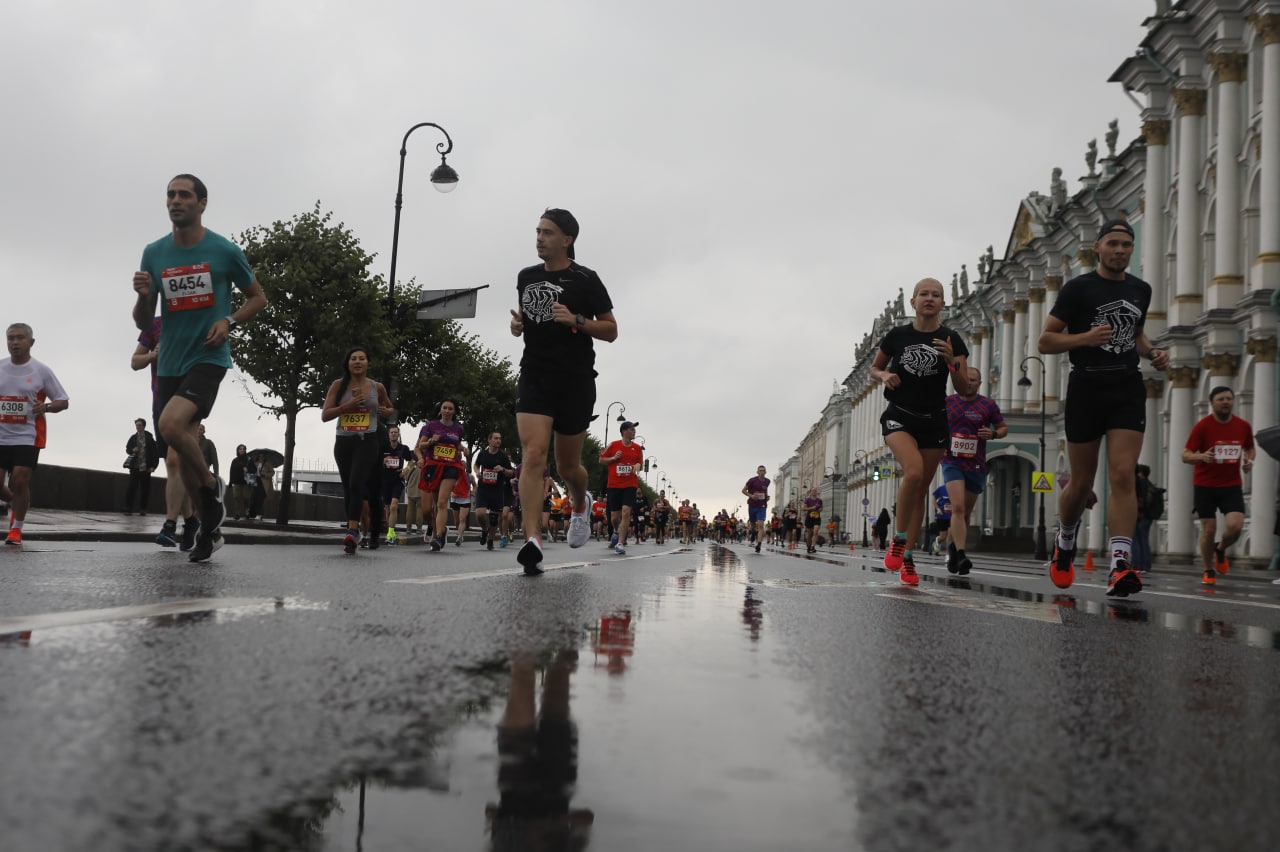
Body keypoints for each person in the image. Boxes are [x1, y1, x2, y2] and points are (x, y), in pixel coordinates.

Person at [132, 174, 268, 563]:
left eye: (184, 195)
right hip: (170, 361)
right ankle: (209, 528)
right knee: (179, 449)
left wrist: (229, 321)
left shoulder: (223, 251)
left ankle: (211, 490)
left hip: (208, 357)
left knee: (171, 425)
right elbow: (144, 321)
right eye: (170, 195)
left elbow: (259, 298)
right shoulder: (154, 252)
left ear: (202, 203)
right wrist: (143, 297)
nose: (176, 201)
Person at [1038, 219, 1169, 597]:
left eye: (1126, 244)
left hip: (1127, 385)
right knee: (1080, 483)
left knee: (1124, 474)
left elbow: (1136, 334)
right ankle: (1064, 543)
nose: (1120, 250)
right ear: (1098, 247)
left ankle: (1119, 565)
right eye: (1113, 243)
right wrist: (1085, 338)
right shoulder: (1078, 289)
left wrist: (1152, 352)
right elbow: (1046, 341)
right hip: (1087, 386)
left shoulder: (1140, 289)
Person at [508, 208, 617, 574]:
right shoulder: (526, 277)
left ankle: (579, 503)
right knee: (534, 453)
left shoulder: (586, 279)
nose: (539, 238)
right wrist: (518, 324)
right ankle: (532, 539)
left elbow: (611, 329)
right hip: (535, 374)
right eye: (537, 231)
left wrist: (577, 321)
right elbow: (529, 317)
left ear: (567, 240)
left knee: (570, 466)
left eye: (548, 233)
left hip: (575, 379)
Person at [869, 277, 971, 585]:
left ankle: (908, 559)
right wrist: (885, 374)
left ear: (943, 303)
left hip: (934, 420)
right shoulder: (898, 335)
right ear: (913, 302)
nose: (929, 298)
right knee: (912, 473)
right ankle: (899, 540)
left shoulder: (952, 338)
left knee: (919, 492)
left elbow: (964, 387)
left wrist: (952, 362)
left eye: (936, 295)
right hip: (899, 415)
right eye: (923, 294)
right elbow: (875, 367)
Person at [131, 316, 199, 548]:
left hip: (190, 399)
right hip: (161, 404)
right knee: (176, 465)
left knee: (173, 460)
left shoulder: (197, 321)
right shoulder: (155, 325)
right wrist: (153, 355)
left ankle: (170, 525)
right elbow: (135, 361)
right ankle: (190, 520)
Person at [0, 323, 69, 545]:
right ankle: (18, 502)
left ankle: (16, 530)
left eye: (20, 338)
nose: (15, 342)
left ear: (31, 342)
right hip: (1, 435)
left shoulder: (41, 370)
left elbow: (62, 401)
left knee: (20, 480)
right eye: (10, 338)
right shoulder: (0, 367)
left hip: (27, 436)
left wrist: (46, 407)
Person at [321, 347, 393, 554]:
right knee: (348, 487)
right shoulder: (338, 385)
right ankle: (355, 529)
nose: (358, 362)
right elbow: (325, 415)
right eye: (353, 359)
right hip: (344, 441)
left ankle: (353, 530)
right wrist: (348, 406)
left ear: (368, 363)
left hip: (368, 440)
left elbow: (389, 409)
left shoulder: (376, 387)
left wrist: (386, 411)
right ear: (348, 363)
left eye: (362, 358)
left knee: (356, 483)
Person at [1182, 385, 1255, 586]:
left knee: (1235, 526)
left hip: (1231, 484)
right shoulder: (1203, 426)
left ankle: (1221, 549)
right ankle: (1208, 569)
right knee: (1209, 529)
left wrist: (1249, 460)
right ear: (1212, 403)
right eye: (1221, 399)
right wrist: (1201, 456)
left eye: (1229, 399)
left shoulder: (1243, 426)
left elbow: (1250, 447)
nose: (1226, 402)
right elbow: (1185, 455)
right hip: (1205, 485)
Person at [940, 367, 1007, 574]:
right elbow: (934, 424)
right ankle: (961, 554)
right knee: (958, 508)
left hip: (976, 463)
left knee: (965, 515)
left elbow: (1003, 428)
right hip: (951, 461)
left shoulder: (987, 405)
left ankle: (952, 549)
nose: (969, 383)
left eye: (974, 380)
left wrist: (993, 434)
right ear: (959, 381)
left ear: (980, 383)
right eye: (966, 379)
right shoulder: (948, 403)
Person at [417, 399, 468, 552]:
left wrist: (463, 448)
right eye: (444, 408)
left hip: (451, 467)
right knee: (431, 506)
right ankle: (441, 530)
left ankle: (438, 537)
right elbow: (421, 445)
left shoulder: (458, 428)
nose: (446, 411)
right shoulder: (431, 425)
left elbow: (456, 444)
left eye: (450, 409)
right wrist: (432, 441)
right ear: (440, 410)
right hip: (433, 466)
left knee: (441, 502)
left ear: (454, 412)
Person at [600, 421, 643, 555]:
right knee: (614, 517)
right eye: (632, 430)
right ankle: (616, 531)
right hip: (614, 485)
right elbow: (601, 460)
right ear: (624, 431)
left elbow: (639, 463)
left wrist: (637, 466)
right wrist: (613, 458)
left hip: (630, 485)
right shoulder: (613, 445)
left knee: (626, 512)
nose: (634, 432)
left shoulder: (637, 448)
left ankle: (620, 543)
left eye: (634, 430)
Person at [473, 430, 515, 551]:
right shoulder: (482, 454)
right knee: (480, 514)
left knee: (493, 518)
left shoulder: (502, 456)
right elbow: (476, 465)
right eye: (495, 438)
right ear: (489, 440)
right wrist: (476, 472)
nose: (498, 441)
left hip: (497, 490)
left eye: (500, 439)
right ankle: (485, 529)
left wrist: (502, 469)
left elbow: (511, 473)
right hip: (483, 489)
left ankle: (490, 540)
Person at [380, 425, 414, 545]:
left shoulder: (403, 448)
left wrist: (406, 469)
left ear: (399, 434)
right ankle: (391, 531)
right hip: (385, 480)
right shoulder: (383, 447)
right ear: (388, 435)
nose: (393, 434)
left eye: (395, 432)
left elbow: (411, 460)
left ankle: (390, 534)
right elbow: (374, 459)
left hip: (397, 480)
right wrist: (382, 461)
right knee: (388, 508)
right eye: (391, 432)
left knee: (394, 506)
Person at [123, 418, 159, 515]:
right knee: (131, 487)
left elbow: (155, 454)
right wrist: (132, 450)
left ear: (143, 426)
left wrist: (153, 466)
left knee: (145, 489)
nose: (138, 427)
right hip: (134, 467)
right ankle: (128, 508)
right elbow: (127, 449)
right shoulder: (133, 437)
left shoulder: (150, 439)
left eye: (139, 425)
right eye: (136, 425)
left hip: (146, 468)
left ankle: (143, 509)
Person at [1132, 464, 1156, 575]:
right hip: (1148, 516)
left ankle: (1136, 564)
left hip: (1139, 515)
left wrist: (1139, 511)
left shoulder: (1140, 483)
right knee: (1144, 541)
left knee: (1136, 540)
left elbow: (1140, 498)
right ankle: (1145, 566)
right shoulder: (1150, 484)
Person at [742, 465, 771, 554]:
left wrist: (766, 497)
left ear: (765, 472)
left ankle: (759, 545)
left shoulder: (767, 481)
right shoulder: (752, 480)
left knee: (761, 525)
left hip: (762, 506)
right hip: (752, 505)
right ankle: (753, 533)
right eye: (760, 471)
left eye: (763, 471)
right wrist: (751, 496)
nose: (762, 472)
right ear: (757, 472)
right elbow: (743, 490)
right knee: (753, 525)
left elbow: (765, 491)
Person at [227, 445, 252, 521]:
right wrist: (230, 482)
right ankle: (237, 513)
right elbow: (231, 471)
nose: (241, 450)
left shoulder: (249, 459)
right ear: (237, 450)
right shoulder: (235, 460)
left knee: (246, 497)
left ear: (245, 450)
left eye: (243, 449)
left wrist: (247, 469)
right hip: (237, 481)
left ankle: (247, 511)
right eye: (240, 449)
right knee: (236, 497)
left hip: (246, 482)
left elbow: (254, 469)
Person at [930, 483, 951, 556]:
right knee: (943, 537)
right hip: (942, 516)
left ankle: (948, 554)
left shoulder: (956, 488)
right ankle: (937, 541)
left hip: (952, 516)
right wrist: (938, 509)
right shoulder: (941, 489)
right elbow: (933, 499)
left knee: (950, 536)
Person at [802, 487, 823, 554]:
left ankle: (813, 546)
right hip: (809, 518)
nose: (814, 492)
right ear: (810, 492)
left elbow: (821, 509)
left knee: (816, 531)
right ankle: (808, 546)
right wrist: (812, 508)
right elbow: (804, 508)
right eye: (813, 491)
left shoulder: (819, 500)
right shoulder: (807, 500)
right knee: (809, 534)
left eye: (815, 491)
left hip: (817, 518)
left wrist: (819, 509)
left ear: (817, 492)